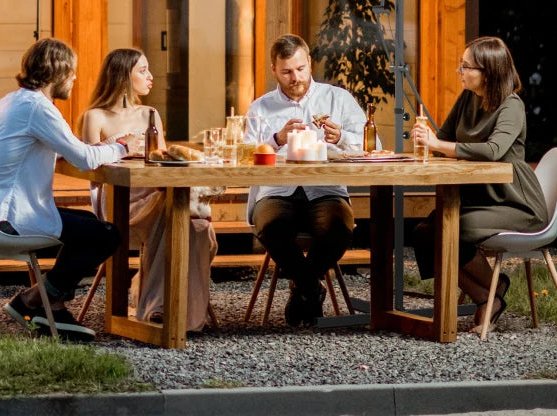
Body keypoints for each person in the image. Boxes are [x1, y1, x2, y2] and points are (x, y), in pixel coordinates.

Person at [0, 37, 141, 341]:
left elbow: (67, 149)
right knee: (108, 234)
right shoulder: (38, 108)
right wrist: (121, 146)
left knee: (89, 224)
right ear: (59, 72)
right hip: (10, 219)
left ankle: (45, 300)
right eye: (72, 72)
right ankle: (40, 301)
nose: (75, 78)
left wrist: (98, 148)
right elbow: (85, 159)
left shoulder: (13, 101)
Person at [412, 35, 549, 333]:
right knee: (425, 232)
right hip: (481, 199)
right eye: (460, 65)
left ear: (488, 72)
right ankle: (489, 293)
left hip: (515, 203)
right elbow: (445, 137)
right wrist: (427, 139)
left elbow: (494, 150)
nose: (459, 72)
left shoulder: (511, 106)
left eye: (466, 66)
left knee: (452, 228)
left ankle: (493, 289)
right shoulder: (468, 98)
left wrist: (440, 144)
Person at [80, 48, 218, 331]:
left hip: (155, 192)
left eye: (148, 69)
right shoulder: (96, 117)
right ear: (122, 75)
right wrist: (119, 148)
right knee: (186, 216)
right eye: (142, 70)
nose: (150, 76)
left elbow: (163, 162)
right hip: (119, 200)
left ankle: (164, 310)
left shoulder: (150, 114)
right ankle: (167, 308)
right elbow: (92, 172)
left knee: (187, 222)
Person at [245, 33, 366, 327]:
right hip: (277, 192)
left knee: (339, 227)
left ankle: (302, 287)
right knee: (271, 226)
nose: (295, 77)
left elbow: (370, 144)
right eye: (286, 72)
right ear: (274, 70)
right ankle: (312, 288)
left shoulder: (337, 99)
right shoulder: (261, 107)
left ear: (310, 63)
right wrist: (276, 139)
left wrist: (343, 138)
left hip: (325, 190)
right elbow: (244, 155)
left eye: (300, 69)